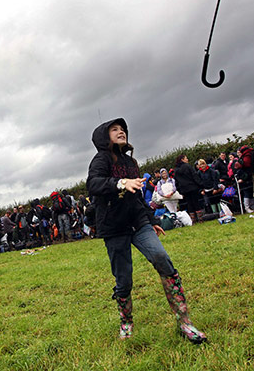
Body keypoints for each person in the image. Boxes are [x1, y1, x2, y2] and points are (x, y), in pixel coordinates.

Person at [87, 118, 206, 343]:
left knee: (162, 259)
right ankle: (126, 322)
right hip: (114, 227)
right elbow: (93, 183)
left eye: (123, 129)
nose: (121, 132)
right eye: (114, 130)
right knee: (124, 280)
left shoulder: (131, 163)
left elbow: (139, 196)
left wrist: (151, 219)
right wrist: (121, 183)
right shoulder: (101, 159)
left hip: (138, 222)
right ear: (104, 136)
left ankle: (185, 322)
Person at [174, 154, 205, 223]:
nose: (187, 159)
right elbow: (194, 176)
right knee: (196, 203)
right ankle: (200, 219)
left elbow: (176, 182)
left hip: (184, 190)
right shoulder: (188, 166)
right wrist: (201, 185)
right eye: (186, 158)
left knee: (189, 204)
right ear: (182, 159)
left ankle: (193, 220)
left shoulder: (176, 170)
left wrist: (180, 191)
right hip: (193, 187)